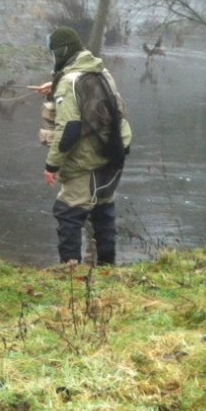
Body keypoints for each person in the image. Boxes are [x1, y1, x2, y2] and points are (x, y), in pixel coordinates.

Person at [36, 27, 132, 266]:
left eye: (53, 53)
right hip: (112, 157)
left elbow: (69, 129)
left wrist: (51, 165)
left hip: (85, 163)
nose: (52, 58)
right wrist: (56, 86)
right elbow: (91, 94)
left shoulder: (70, 82)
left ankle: (70, 277)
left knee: (67, 213)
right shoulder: (101, 72)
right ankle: (108, 268)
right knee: (102, 210)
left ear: (62, 52)